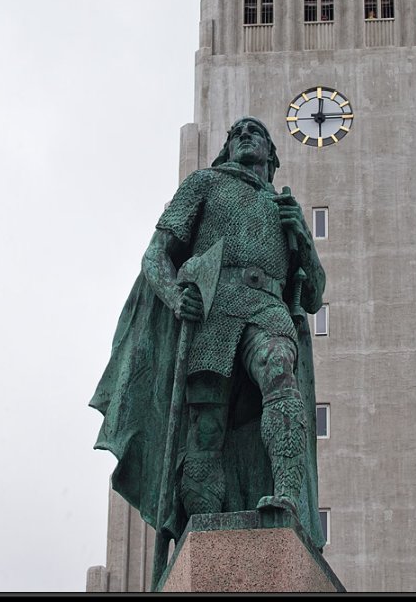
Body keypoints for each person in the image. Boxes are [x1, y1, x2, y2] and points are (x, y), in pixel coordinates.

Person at [89, 117, 326, 551]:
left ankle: (287, 496)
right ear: (227, 148)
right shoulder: (205, 183)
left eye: (255, 132)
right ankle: (203, 529)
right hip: (214, 310)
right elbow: (156, 255)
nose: (245, 135)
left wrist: (303, 238)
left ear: (272, 154)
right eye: (236, 133)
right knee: (205, 427)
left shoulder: (284, 207)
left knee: (279, 372)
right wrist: (175, 295)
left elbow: (313, 295)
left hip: (268, 307)